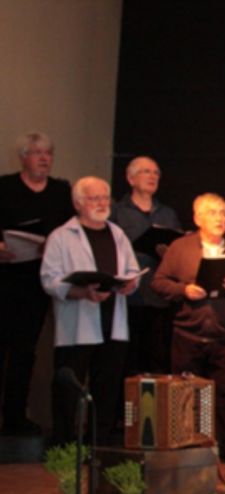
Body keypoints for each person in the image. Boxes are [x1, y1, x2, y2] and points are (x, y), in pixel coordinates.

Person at [40, 177, 141, 445]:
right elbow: (49, 280)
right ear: (77, 203)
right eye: (94, 198)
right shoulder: (62, 236)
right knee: (68, 388)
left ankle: (99, 444)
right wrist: (82, 292)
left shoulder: (117, 234)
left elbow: (132, 269)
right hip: (78, 325)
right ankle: (64, 446)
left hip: (112, 322)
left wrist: (130, 283)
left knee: (106, 388)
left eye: (105, 198)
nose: (101, 203)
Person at [151, 193, 225, 462]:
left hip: (223, 333)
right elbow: (158, 282)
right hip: (188, 332)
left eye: (223, 213)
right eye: (213, 213)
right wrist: (184, 290)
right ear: (197, 218)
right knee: (185, 393)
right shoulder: (181, 247)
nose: (220, 218)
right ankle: (186, 448)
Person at [0, 132, 74, 436]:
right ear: (23, 157)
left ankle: (15, 416)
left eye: (48, 153)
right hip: (6, 276)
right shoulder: (5, 187)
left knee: (25, 350)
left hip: (38, 280)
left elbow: (70, 230)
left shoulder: (60, 191)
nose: (44, 158)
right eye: (37, 153)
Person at [110, 156, 182, 374]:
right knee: (129, 360)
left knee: (157, 359)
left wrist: (170, 253)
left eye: (156, 173)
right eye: (146, 171)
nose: (153, 176)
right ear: (131, 178)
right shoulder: (117, 212)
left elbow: (178, 248)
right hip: (130, 295)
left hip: (159, 295)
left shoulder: (167, 214)